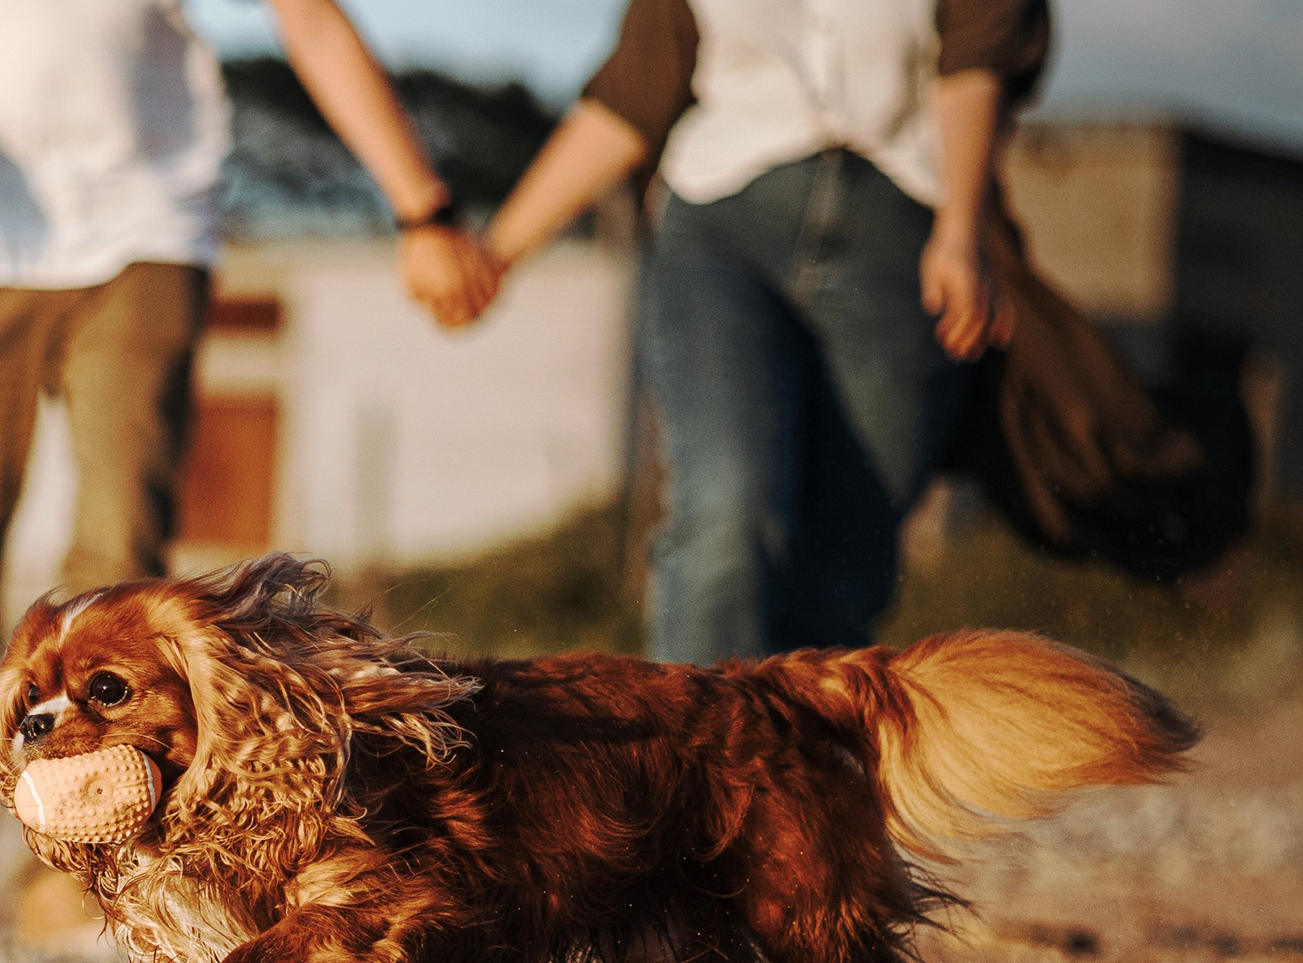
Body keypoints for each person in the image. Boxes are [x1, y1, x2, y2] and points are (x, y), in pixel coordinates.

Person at [0, 0, 497, 947]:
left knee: (119, 563)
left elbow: (310, 21)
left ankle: (85, 852)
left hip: (144, 228)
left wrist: (424, 207)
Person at [449, 0, 1049, 664]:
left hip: (903, 235)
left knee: (847, 556)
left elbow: (978, 59)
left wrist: (962, 230)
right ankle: (695, 759)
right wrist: (494, 255)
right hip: (720, 223)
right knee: (726, 507)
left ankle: (812, 760)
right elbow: (632, 96)